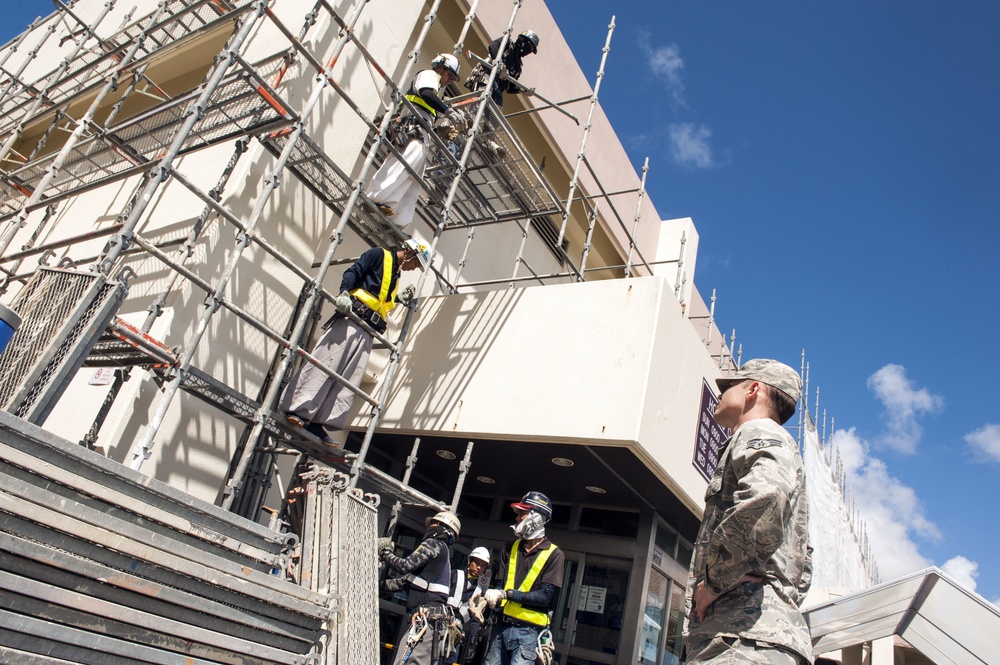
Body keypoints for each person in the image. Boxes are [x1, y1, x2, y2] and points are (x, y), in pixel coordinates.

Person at [682, 359, 813, 665]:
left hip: (740, 637)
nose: (720, 394)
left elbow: (766, 496)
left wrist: (714, 583)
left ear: (753, 389)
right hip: (759, 637)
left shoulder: (758, 431)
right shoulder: (780, 446)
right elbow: (803, 564)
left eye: (729, 386)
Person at [279, 239, 429, 444]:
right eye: (416, 263)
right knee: (325, 364)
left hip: (368, 329)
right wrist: (343, 293)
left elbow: (380, 300)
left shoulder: (396, 272)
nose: (414, 268)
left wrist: (398, 299)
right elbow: (353, 272)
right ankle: (298, 409)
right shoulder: (378, 254)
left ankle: (317, 423)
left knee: (347, 378)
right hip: (351, 319)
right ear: (410, 252)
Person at [365, 54, 465, 229]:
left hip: (421, 128)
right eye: (450, 75)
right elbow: (425, 94)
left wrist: (438, 128)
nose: (450, 81)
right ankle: (376, 197)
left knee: (414, 175)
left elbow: (427, 105)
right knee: (404, 161)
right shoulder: (429, 75)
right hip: (413, 125)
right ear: (440, 67)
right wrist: (447, 110)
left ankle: (398, 218)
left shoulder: (436, 87)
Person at [482, 491, 563, 665]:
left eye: (522, 513)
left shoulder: (555, 554)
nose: (517, 518)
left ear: (537, 518)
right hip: (500, 627)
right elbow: (500, 585)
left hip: (529, 633)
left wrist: (506, 595)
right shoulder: (510, 548)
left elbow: (544, 597)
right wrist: (485, 603)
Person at [380, 511, 462, 665]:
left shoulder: (435, 544)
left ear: (441, 528)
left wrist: (385, 552)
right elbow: (400, 583)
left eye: (432, 525)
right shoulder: (434, 564)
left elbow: (404, 565)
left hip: (428, 623)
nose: (428, 530)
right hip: (427, 625)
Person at [465, 30, 539, 108]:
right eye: (530, 47)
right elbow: (493, 46)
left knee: (497, 105)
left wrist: (522, 89)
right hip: (487, 77)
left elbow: (510, 87)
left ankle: (481, 119)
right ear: (524, 41)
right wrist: (500, 64)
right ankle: (470, 112)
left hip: (497, 89)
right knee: (481, 100)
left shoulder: (518, 67)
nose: (530, 51)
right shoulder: (508, 44)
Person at [446, 546, 492, 664]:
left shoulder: (479, 592)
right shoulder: (455, 575)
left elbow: (475, 621)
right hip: (441, 625)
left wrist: (472, 643)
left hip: (455, 634)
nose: (478, 567)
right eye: (477, 563)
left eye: (483, 566)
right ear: (469, 561)